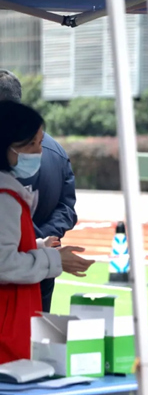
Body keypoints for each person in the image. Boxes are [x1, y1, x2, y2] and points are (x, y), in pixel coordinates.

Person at [0, 101, 93, 363]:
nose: (40, 151)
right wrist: (54, 259)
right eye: (31, 144)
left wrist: (40, 245)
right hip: (8, 321)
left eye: (40, 142)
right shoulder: (5, 196)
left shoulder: (9, 190)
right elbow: (4, 263)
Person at [0, 69, 78, 313]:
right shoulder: (56, 150)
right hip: (39, 271)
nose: (38, 150)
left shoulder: (22, 155)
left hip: (24, 274)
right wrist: (42, 242)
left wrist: (36, 244)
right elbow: (66, 208)